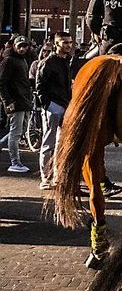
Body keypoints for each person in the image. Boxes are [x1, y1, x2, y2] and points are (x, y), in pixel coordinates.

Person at [36, 32, 74, 189]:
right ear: (56, 44)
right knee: (49, 143)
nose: (69, 45)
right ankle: (46, 178)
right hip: (54, 106)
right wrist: (48, 106)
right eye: (65, 42)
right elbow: (39, 87)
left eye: (70, 42)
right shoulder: (48, 62)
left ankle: (58, 176)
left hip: (65, 105)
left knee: (61, 144)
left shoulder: (67, 62)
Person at [0, 36, 34, 173]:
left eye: (25, 46)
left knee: (18, 131)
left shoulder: (22, 60)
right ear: (14, 46)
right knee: (15, 133)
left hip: (23, 100)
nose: (22, 49)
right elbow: (1, 83)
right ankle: (15, 162)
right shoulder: (9, 61)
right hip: (16, 101)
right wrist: (8, 102)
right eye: (20, 46)